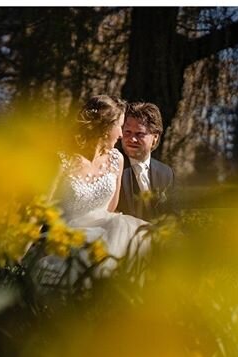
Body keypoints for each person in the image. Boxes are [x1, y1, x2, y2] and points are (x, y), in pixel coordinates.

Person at [31, 95, 150, 286]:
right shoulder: (62, 161)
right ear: (105, 127)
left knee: (138, 237)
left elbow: (110, 209)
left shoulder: (116, 159)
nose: (121, 134)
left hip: (104, 234)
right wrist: (23, 253)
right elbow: (39, 210)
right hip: (66, 240)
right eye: (119, 125)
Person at [117, 102, 174, 221]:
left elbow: (170, 214)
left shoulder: (166, 173)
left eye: (140, 134)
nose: (132, 139)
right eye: (127, 132)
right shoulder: (112, 166)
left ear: (155, 138)